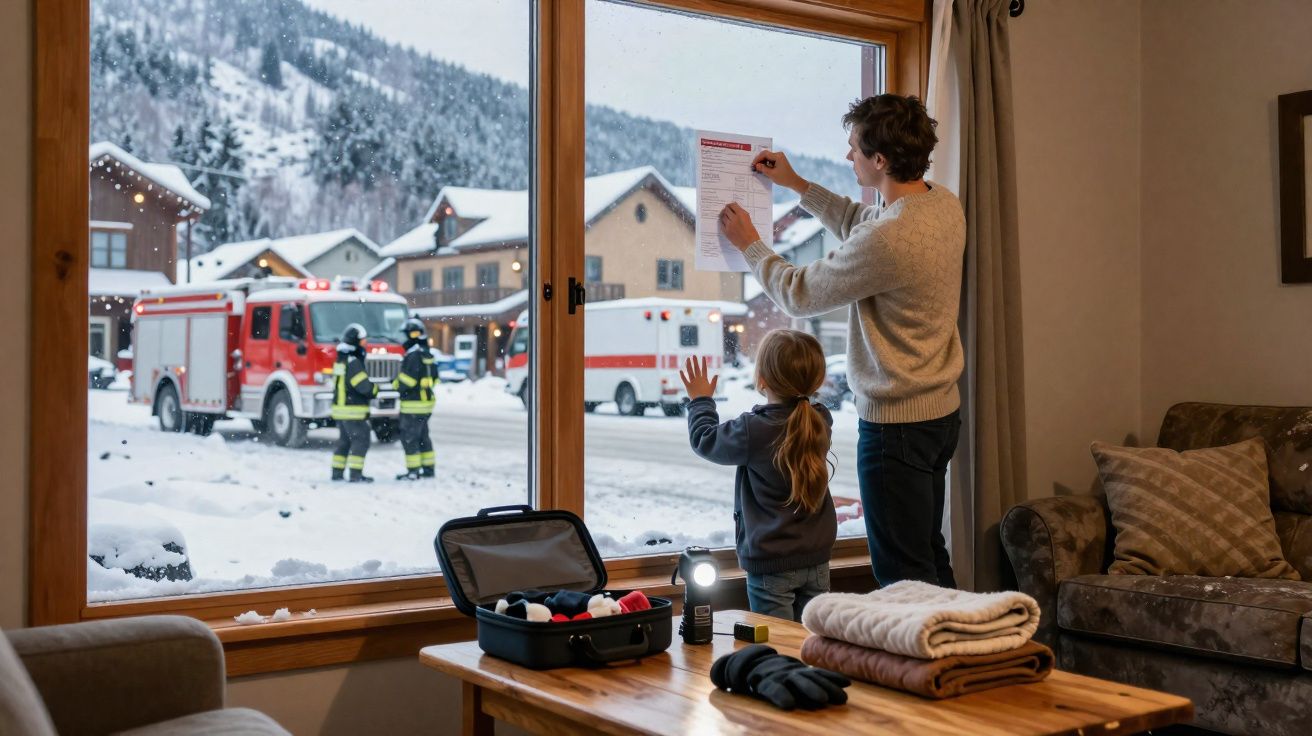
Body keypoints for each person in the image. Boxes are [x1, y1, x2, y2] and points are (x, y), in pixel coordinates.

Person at [718, 93, 965, 589]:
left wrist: (750, 243)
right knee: (927, 557)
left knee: (902, 575)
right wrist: (797, 186)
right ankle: (957, 655)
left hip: (897, 426)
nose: (847, 156)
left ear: (880, 160)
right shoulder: (940, 204)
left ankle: (920, 664)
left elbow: (798, 293)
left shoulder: (890, 239)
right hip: (938, 415)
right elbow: (863, 223)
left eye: (854, 148)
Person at [681, 329, 837, 621]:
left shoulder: (754, 430)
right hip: (817, 559)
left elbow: (705, 439)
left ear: (762, 379)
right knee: (815, 641)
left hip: (771, 565)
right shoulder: (820, 420)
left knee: (775, 646)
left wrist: (700, 400)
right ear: (816, 380)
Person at [331, 323, 378, 484]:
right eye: (363, 341)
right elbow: (364, 387)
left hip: (341, 410)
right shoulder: (354, 363)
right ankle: (355, 475)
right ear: (355, 342)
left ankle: (337, 473)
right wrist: (375, 389)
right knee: (361, 440)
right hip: (353, 411)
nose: (365, 345)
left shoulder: (341, 361)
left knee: (344, 442)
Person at [394, 318, 438, 481]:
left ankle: (413, 471)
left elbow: (408, 381)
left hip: (412, 405)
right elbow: (435, 378)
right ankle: (428, 469)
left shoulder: (413, 355)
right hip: (425, 405)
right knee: (423, 438)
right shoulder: (427, 354)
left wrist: (395, 384)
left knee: (409, 439)